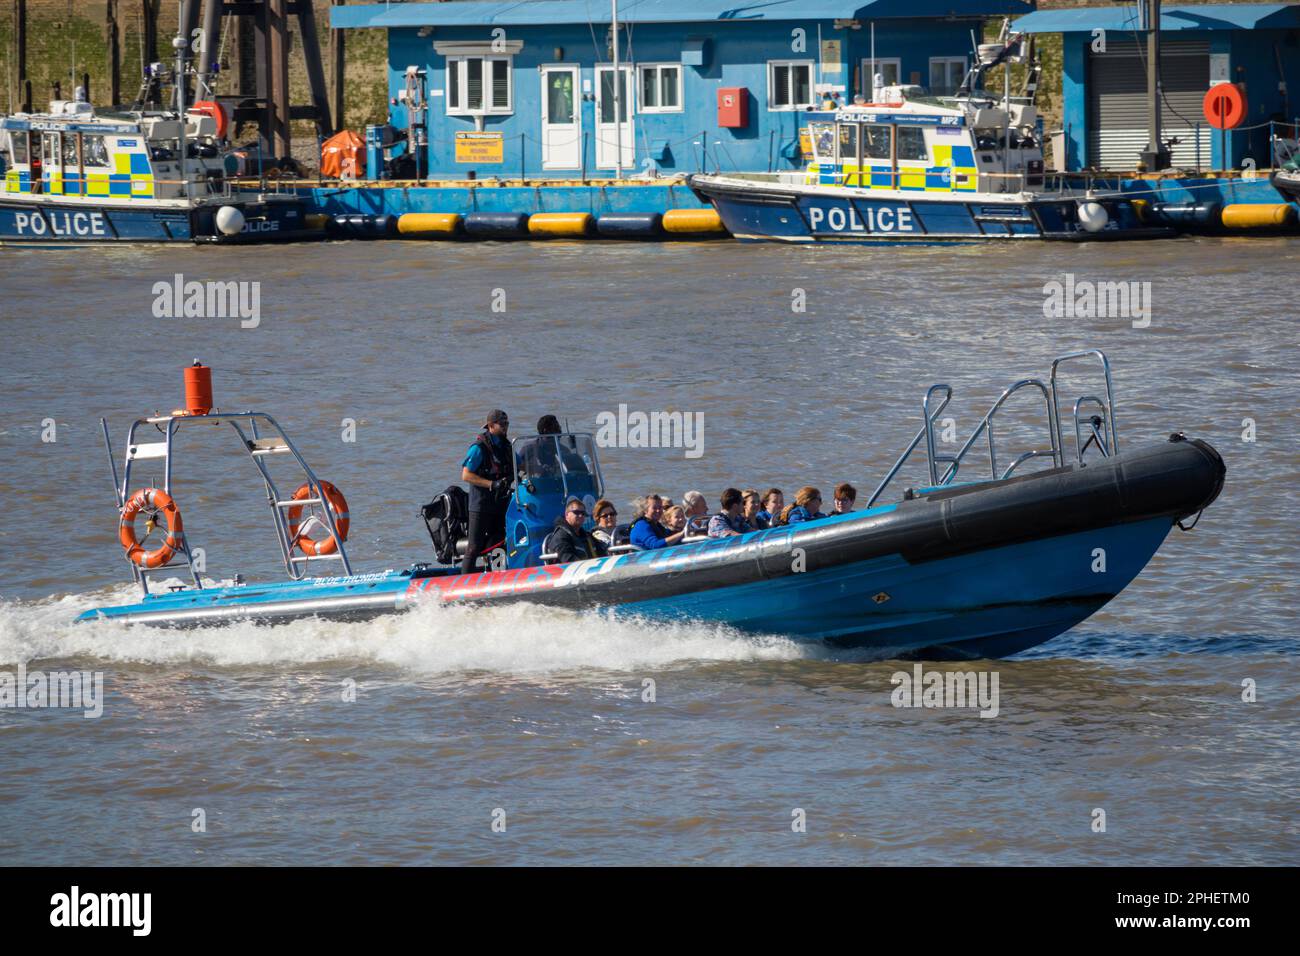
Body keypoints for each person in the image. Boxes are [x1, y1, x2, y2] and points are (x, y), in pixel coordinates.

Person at [460, 409, 514, 573]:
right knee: (474, 546)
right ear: (491, 426)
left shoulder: (506, 447)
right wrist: (492, 484)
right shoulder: (479, 448)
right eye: (502, 424)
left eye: (507, 423)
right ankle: (464, 584)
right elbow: (466, 475)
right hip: (481, 505)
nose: (505, 427)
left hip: (500, 503)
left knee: (499, 542)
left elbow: (521, 466)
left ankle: (497, 575)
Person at [546, 498, 608, 564]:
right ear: (567, 514)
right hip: (572, 571)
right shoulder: (560, 537)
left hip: (592, 569)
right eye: (577, 512)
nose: (581, 515)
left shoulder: (587, 536)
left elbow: (602, 553)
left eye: (583, 513)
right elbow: (567, 559)